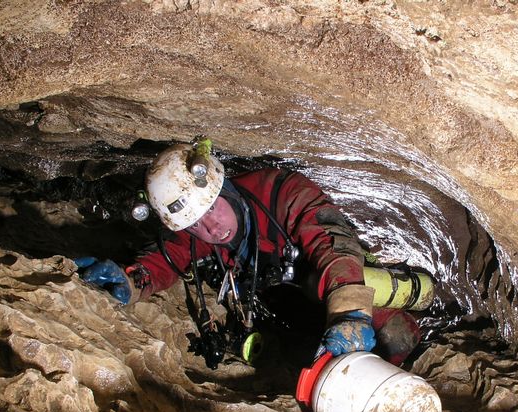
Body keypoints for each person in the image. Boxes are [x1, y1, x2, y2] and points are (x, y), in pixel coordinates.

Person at [77, 141, 421, 367]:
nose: (210, 229)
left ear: (223, 188)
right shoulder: (200, 232)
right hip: (284, 306)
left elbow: (333, 243)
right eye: (195, 224)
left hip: (333, 286)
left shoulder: (281, 192)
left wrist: (350, 314)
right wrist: (133, 278)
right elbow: (168, 257)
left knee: (392, 335)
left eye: (212, 210)